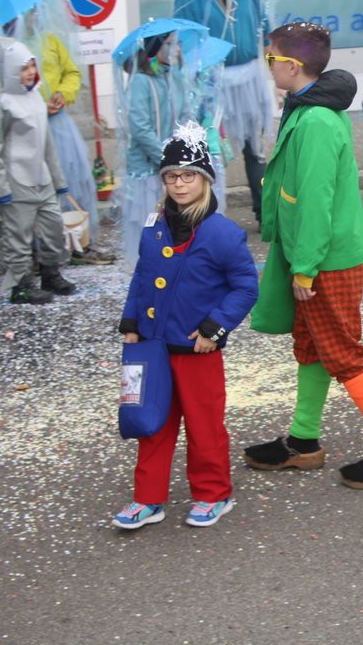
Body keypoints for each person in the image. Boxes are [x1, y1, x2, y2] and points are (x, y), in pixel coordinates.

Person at [243, 23, 363, 490]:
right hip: (317, 255)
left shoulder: (318, 121)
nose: (269, 67)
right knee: (313, 345)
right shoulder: (307, 110)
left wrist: (304, 267)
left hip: (325, 260)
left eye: (271, 60)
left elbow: (317, 199)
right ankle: (303, 441)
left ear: (291, 66)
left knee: (342, 350)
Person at [111, 122, 259, 530]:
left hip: (198, 350)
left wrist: (215, 329)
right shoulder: (154, 226)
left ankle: (215, 494)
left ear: (205, 179)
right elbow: (143, 277)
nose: (179, 184)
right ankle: (148, 499)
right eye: (171, 176)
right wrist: (131, 322)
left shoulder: (223, 234)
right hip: (154, 347)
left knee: (204, 425)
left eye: (189, 175)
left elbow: (246, 288)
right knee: (151, 424)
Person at [174, 0, 274, 225]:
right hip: (213, 82)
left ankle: (265, 213)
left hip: (250, 78)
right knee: (214, 149)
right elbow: (184, 45)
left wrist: (276, 79)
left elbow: (267, 33)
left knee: (255, 149)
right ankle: (208, 215)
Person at [2, 18, 113, 264]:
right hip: (26, 127)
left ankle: (79, 242)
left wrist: (63, 94)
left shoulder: (50, 40)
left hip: (58, 124)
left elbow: (71, 72)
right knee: (35, 185)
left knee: (71, 179)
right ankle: (40, 251)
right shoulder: (6, 50)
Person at [0, 38, 76, 304]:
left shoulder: (36, 99)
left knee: (54, 228)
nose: (31, 72)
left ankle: (51, 274)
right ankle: (20, 286)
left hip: (42, 179)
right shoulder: (3, 104)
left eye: (33, 65)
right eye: (24, 67)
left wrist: (58, 181)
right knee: (19, 237)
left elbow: (47, 146)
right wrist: (0, 187)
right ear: (11, 70)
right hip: (16, 182)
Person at [119, 33, 187, 267]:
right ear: (156, 48)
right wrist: (167, 157)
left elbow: (184, 115)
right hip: (148, 169)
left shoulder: (173, 76)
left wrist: (185, 145)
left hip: (173, 166)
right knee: (152, 226)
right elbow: (140, 127)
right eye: (170, 44)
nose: (176, 49)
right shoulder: (141, 81)